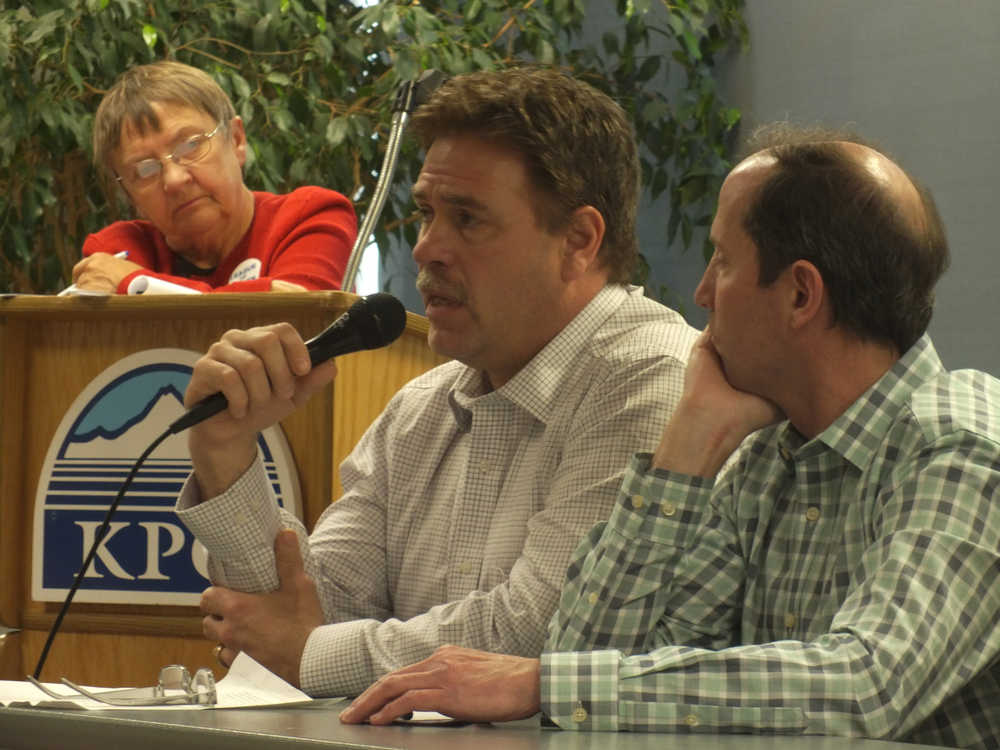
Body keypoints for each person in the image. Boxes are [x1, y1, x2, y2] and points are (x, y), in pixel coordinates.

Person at [340, 125, 1000, 748]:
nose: (702, 292)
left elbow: (865, 684)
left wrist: (540, 682)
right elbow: (596, 655)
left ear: (801, 295)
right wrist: (682, 454)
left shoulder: (961, 446)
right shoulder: (764, 453)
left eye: (723, 260)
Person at [174, 67, 700, 698]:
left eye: (468, 219)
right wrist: (226, 454)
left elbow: (545, 635)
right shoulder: (422, 405)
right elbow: (303, 607)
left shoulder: (653, 380)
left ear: (579, 240)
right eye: (426, 213)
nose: (426, 249)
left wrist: (311, 653)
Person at [71, 60, 356, 294]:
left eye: (190, 145)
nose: (174, 179)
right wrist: (265, 293)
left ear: (236, 140)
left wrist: (134, 283)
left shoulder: (310, 216)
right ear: (129, 195)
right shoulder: (120, 250)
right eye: (145, 170)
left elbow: (298, 321)